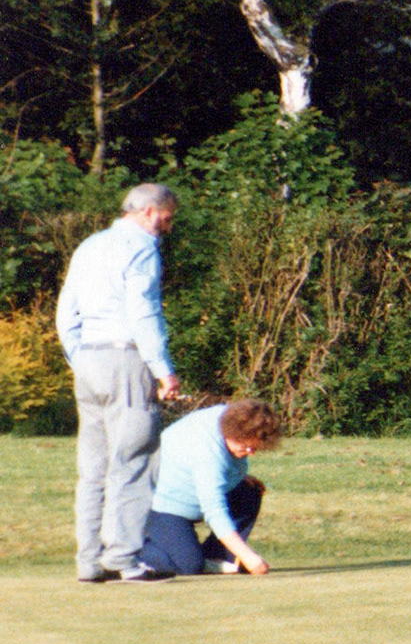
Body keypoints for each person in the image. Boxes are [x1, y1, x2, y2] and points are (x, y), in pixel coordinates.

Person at [56, 183, 184, 584]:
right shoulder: (142, 247)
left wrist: (78, 357)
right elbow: (143, 312)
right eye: (167, 215)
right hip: (127, 357)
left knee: (93, 466)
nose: (168, 224)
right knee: (134, 460)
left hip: (89, 358)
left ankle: (89, 561)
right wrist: (162, 368)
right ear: (149, 212)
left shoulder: (90, 245)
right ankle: (124, 559)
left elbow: (66, 310)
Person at [139, 400, 282, 578]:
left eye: (254, 447)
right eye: (246, 446)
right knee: (188, 565)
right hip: (160, 505)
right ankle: (125, 551)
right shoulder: (208, 455)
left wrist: (236, 476)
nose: (250, 452)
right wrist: (248, 556)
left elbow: (222, 469)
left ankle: (215, 556)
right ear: (232, 433)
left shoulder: (230, 418)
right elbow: (214, 510)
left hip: (190, 493)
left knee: (249, 492)